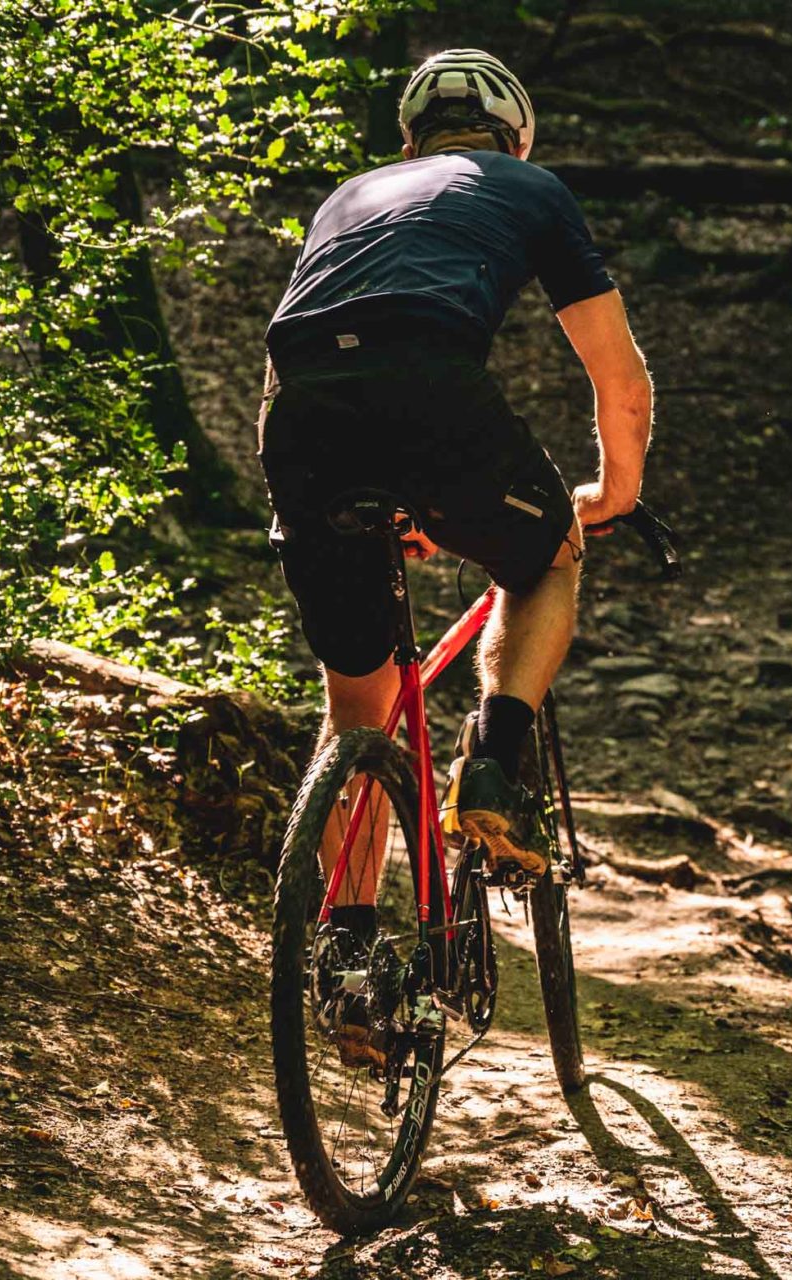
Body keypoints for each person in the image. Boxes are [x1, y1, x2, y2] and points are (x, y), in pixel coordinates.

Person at [256, 47, 654, 957]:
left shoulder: (347, 196)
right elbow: (618, 375)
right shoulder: (530, 187)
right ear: (514, 136)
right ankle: (493, 768)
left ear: (409, 141)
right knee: (548, 558)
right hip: (429, 387)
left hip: (298, 413)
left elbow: (314, 348)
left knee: (357, 705)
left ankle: (347, 952)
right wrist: (616, 492)